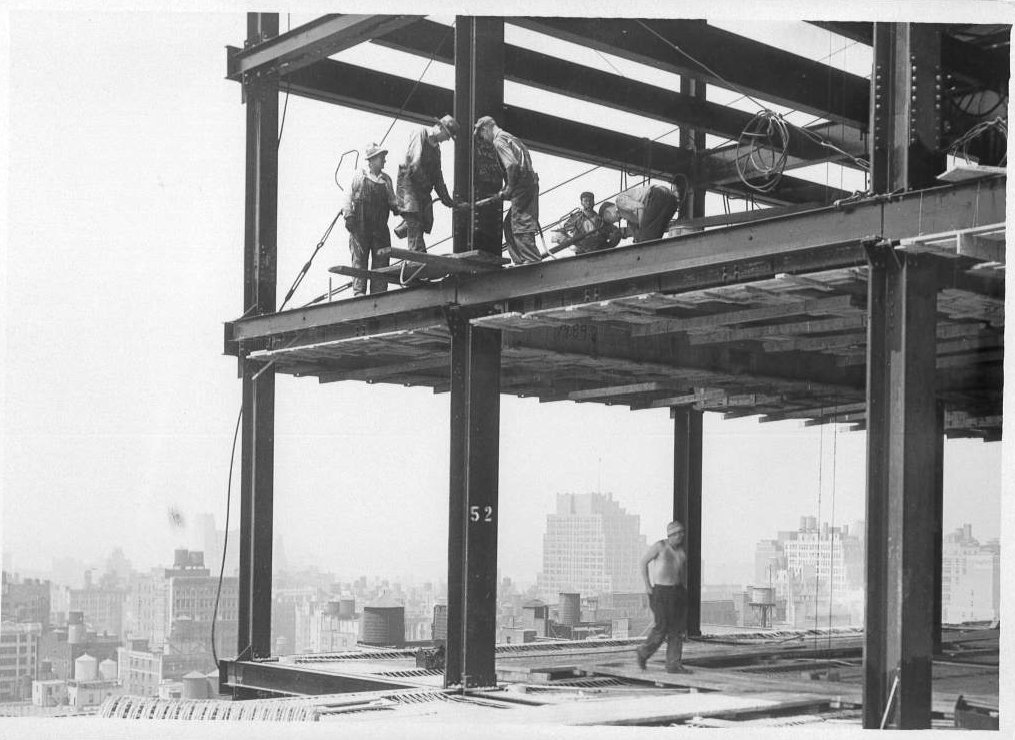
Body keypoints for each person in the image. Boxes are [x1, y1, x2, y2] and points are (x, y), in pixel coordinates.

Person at [474, 115, 542, 265]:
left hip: (522, 187)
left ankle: (532, 261)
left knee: (520, 225)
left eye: (482, 136)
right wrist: (507, 190)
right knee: (509, 225)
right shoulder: (511, 138)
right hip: (528, 183)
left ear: (485, 129)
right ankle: (520, 260)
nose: (484, 140)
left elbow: (511, 165)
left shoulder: (499, 140)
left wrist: (510, 188)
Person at [395, 114, 458, 253]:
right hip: (408, 186)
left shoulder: (436, 149)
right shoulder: (420, 133)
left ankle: (408, 227)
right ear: (440, 127)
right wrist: (427, 185)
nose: (447, 139)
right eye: (447, 135)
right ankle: (417, 253)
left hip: (422, 188)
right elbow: (413, 165)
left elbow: (437, 177)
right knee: (415, 218)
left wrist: (448, 200)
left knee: (426, 221)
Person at [636, 520, 691, 673]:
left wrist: (683, 589)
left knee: (677, 630)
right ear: (671, 534)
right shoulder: (660, 546)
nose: (681, 536)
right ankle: (643, 652)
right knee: (661, 628)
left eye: (682, 533)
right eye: (678, 533)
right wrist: (647, 586)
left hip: (677, 592)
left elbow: (681, 572)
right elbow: (643, 563)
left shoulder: (681, 552)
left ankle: (673, 664)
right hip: (661, 592)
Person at [343, 143, 398, 295]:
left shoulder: (386, 180)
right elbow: (347, 196)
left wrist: (401, 208)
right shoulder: (359, 175)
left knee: (381, 261)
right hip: (361, 225)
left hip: (380, 227)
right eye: (382, 158)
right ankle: (359, 294)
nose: (384, 161)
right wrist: (348, 215)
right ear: (372, 159)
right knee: (360, 260)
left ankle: (378, 295)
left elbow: (393, 202)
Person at [598, 178, 683, 244]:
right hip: (672, 201)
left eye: (609, 220)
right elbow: (634, 227)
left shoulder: (620, 201)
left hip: (658, 196)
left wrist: (642, 231)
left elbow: (640, 208)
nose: (614, 222)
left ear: (608, 211)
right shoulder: (627, 215)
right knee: (654, 237)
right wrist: (637, 238)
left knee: (646, 239)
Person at [553, 191, 618, 255]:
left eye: (590, 201)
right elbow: (561, 233)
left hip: (600, 252)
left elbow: (614, 231)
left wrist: (609, 246)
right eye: (585, 201)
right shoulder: (576, 218)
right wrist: (572, 245)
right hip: (583, 254)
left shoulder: (600, 218)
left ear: (594, 202)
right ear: (581, 202)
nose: (588, 203)